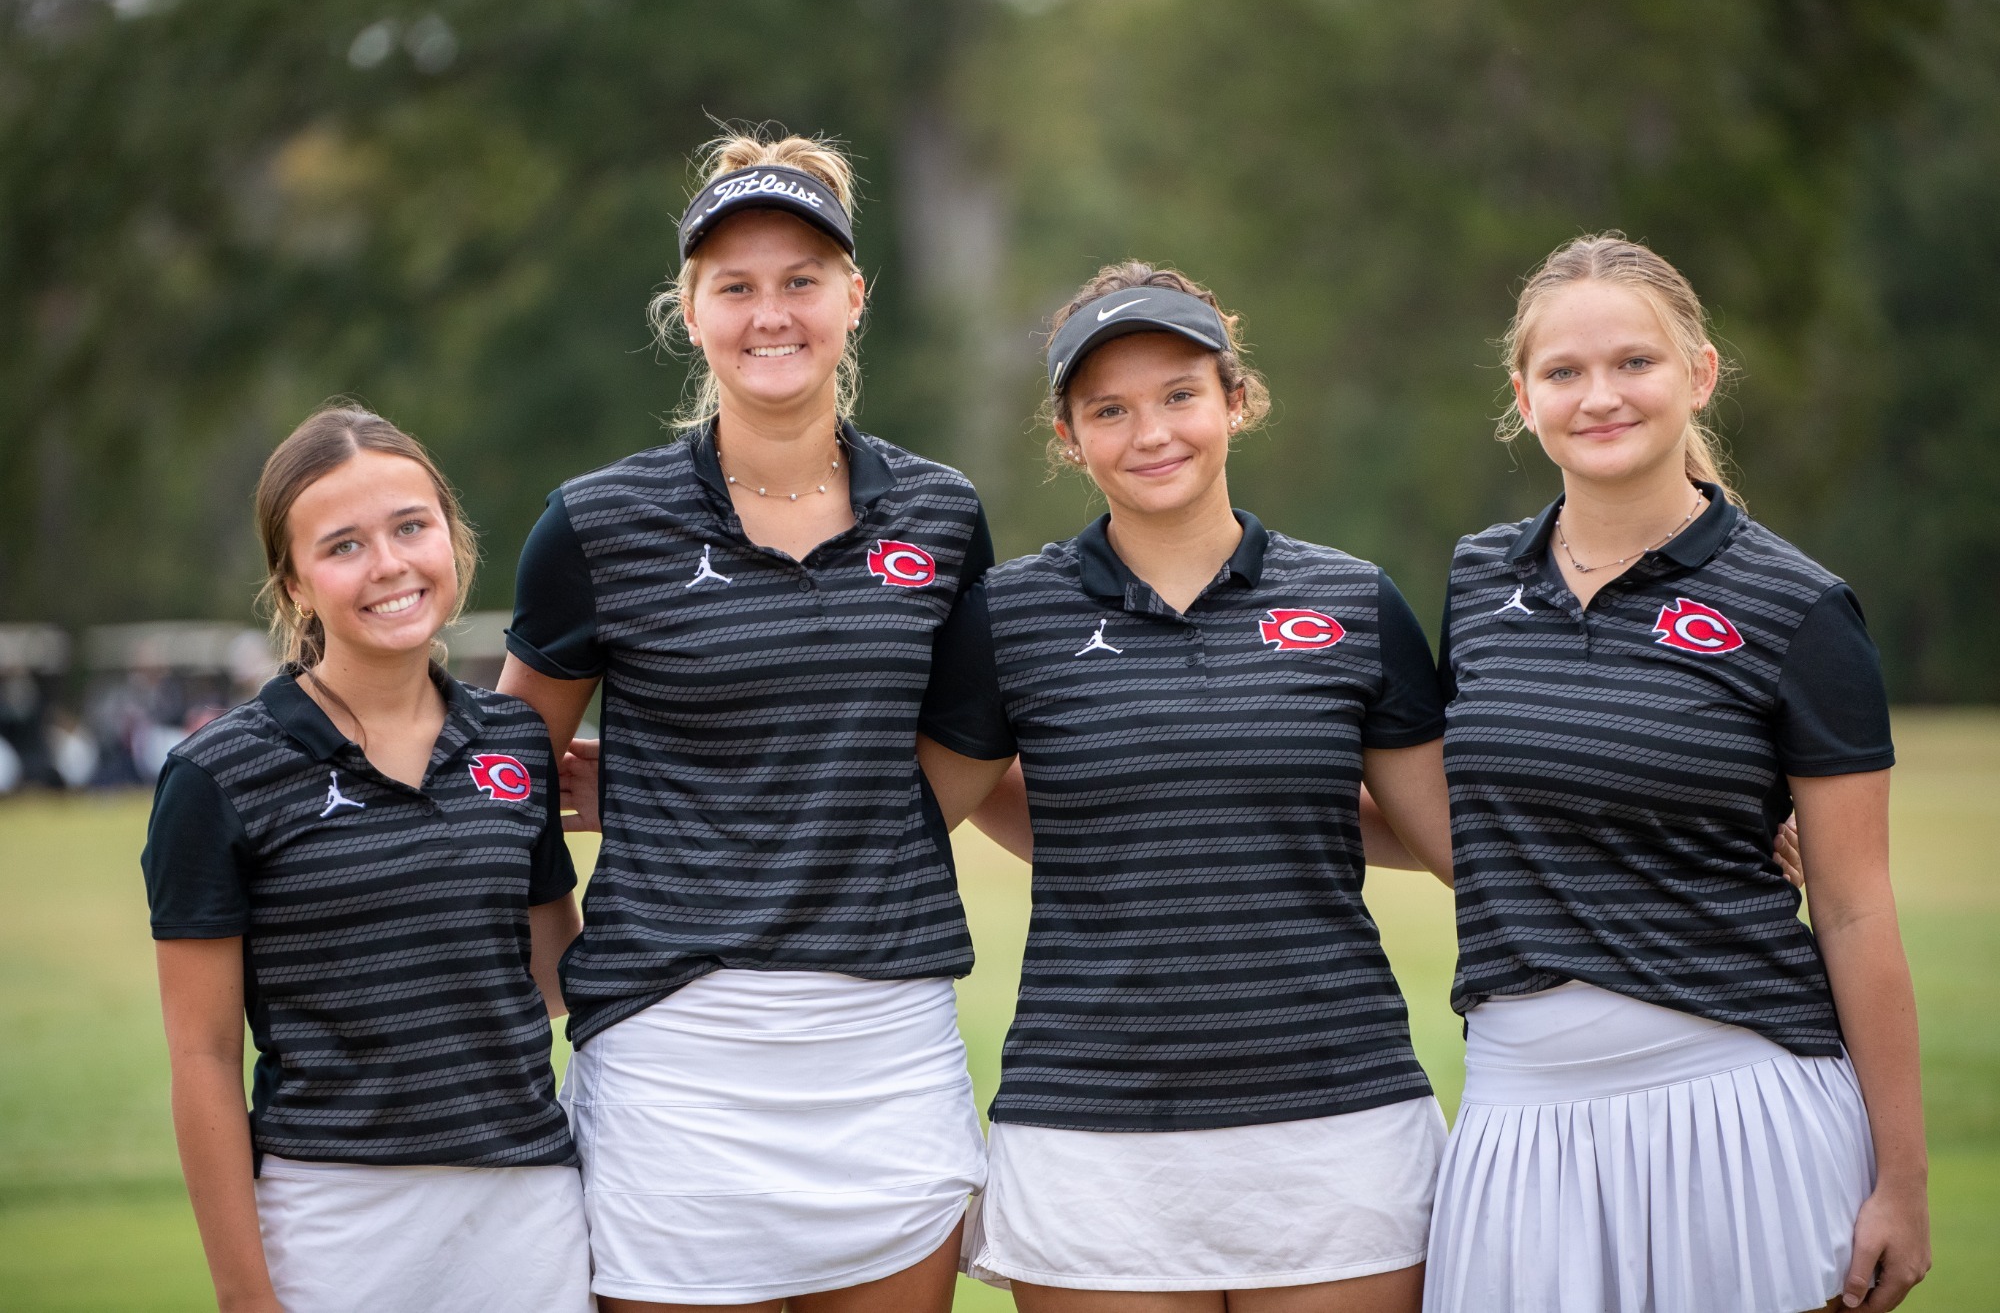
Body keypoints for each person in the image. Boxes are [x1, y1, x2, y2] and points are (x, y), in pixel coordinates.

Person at [499, 129, 990, 1312]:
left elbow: (966, 745)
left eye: (800, 280)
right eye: (736, 286)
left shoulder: (942, 512)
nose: (771, 314)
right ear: (691, 308)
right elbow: (506, 763)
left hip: (883, 1045)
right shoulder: (596, 522)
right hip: (675, 1055)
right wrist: (556, 944)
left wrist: (795, 809)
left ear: (852, 298)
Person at [917, 262, 1458, 1313]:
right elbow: (912, 806)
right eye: (1107, 409)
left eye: (1178, 394)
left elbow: (1455, 834)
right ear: (1066, 437)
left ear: (1234, 401)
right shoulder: (1006, 617)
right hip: (1091, 1132)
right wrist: (658, 791)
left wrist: (1692, 833)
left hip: (1333, 1121)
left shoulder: (1350, 601)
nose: (1150, 431)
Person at [1422, 234, 1929, 1313]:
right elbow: (1450, 811)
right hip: (1520, 1110)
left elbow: (1848, 904)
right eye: (1562, 372)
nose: (1598, 395)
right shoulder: (1474, 581)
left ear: (1695, 373)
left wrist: (1901, 1180)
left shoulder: (1796, 605)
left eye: (1632, 363)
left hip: (1738, 1101)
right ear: (1522, 396)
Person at [141, 405, 590, 1313]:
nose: (389, 564)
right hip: (335, 1222)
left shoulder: (515, 740)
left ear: (453, 541)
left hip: (529, 1213)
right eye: (343, 545)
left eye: (411, 527)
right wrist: (244, 1295)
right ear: (295, 583)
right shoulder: (217, 773)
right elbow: (201, 1057)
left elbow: (553, 978)